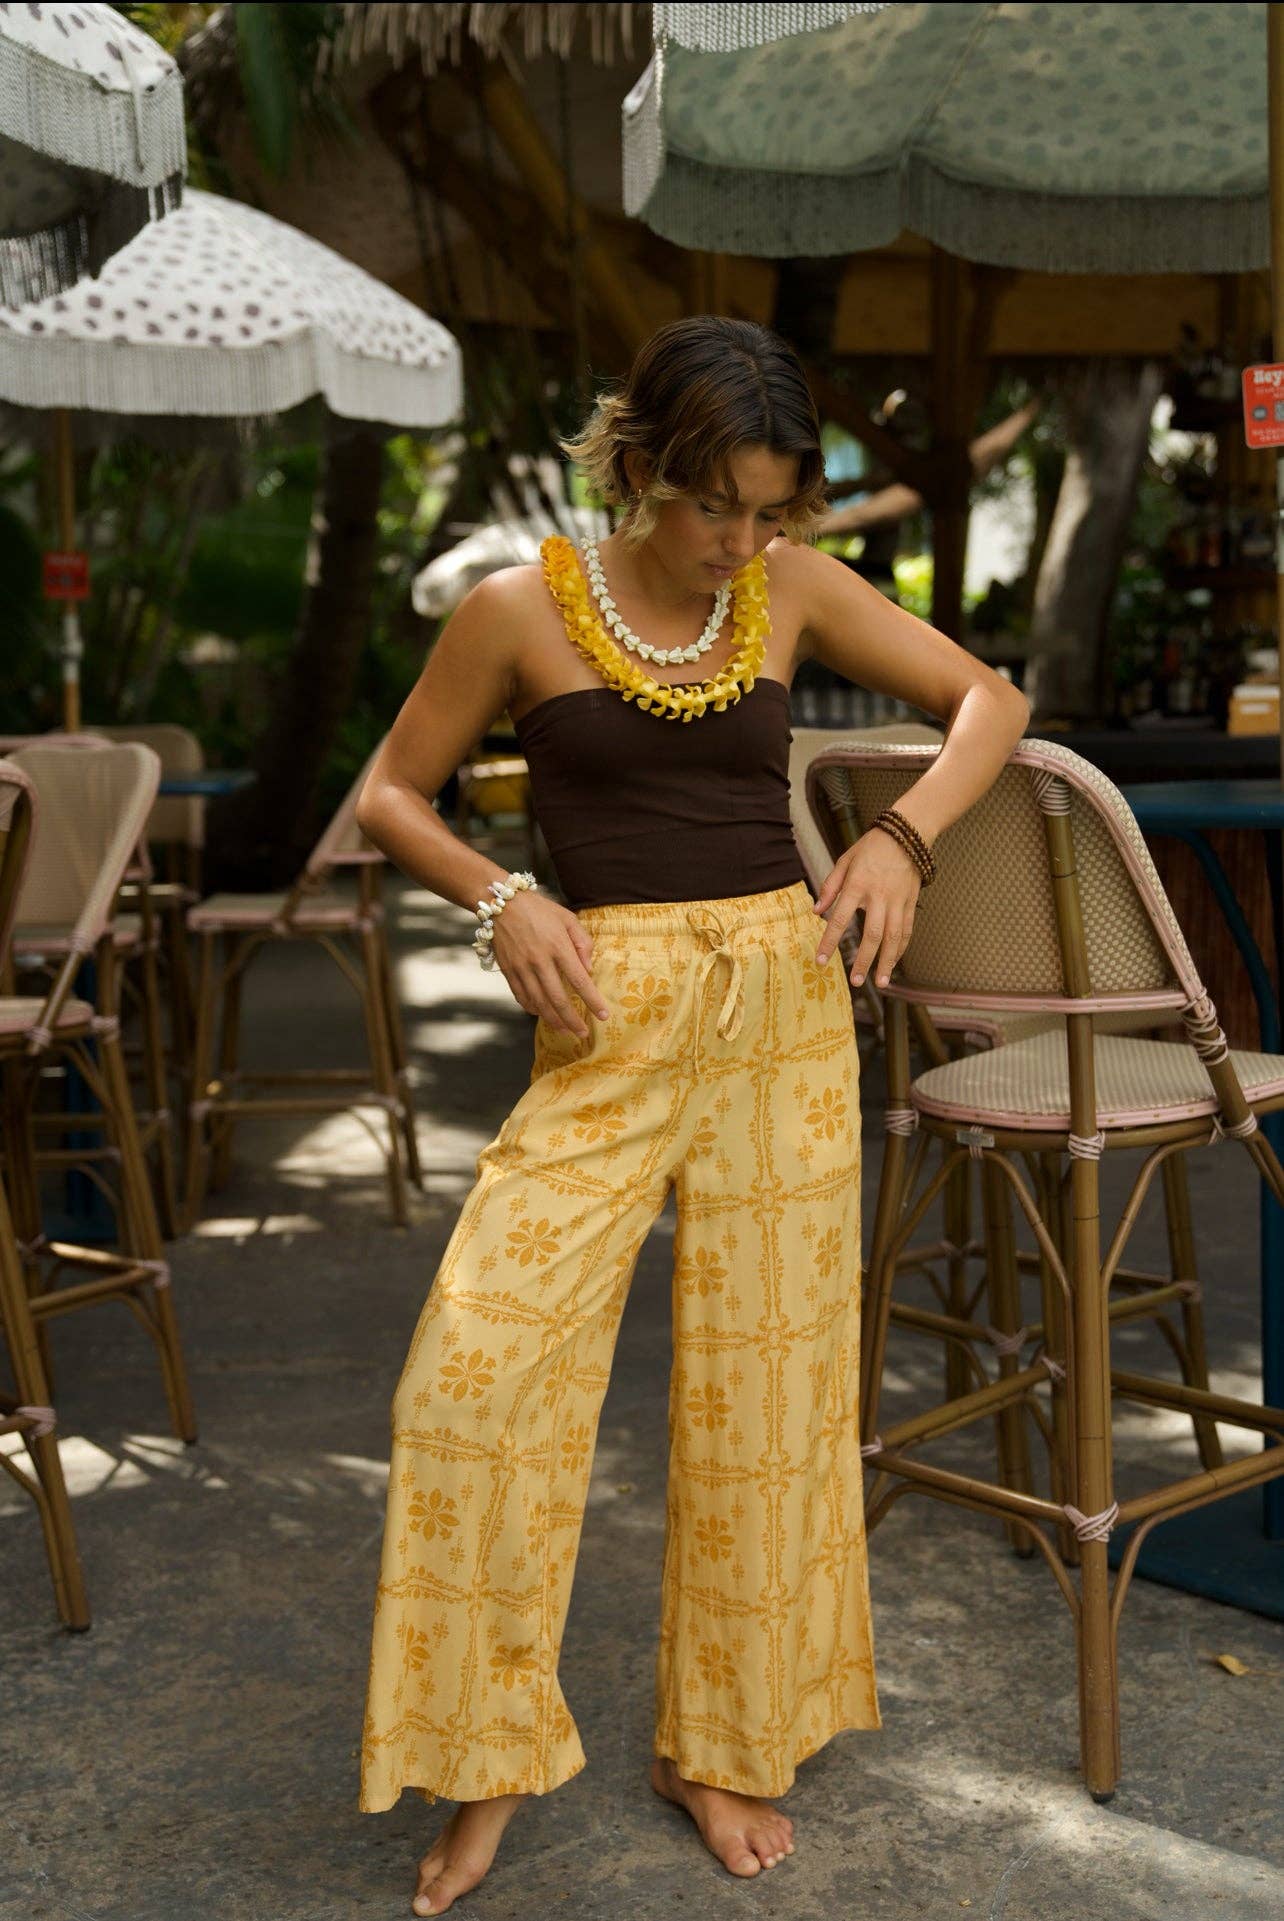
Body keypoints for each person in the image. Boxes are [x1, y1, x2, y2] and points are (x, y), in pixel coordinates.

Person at [354, 316, 1030, 1916]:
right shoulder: (516, 610)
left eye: (769, 510)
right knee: (472, 1377)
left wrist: (901, 840)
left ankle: (720, 1745)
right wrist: (501, 894)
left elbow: (988, 700)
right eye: (716, 502)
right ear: (643, 463)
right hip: (607, 1013)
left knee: (768, 1403)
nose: (740, 539)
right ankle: (487, 1754)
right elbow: (387, 792)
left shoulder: (788, 591)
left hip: (783, 1009)